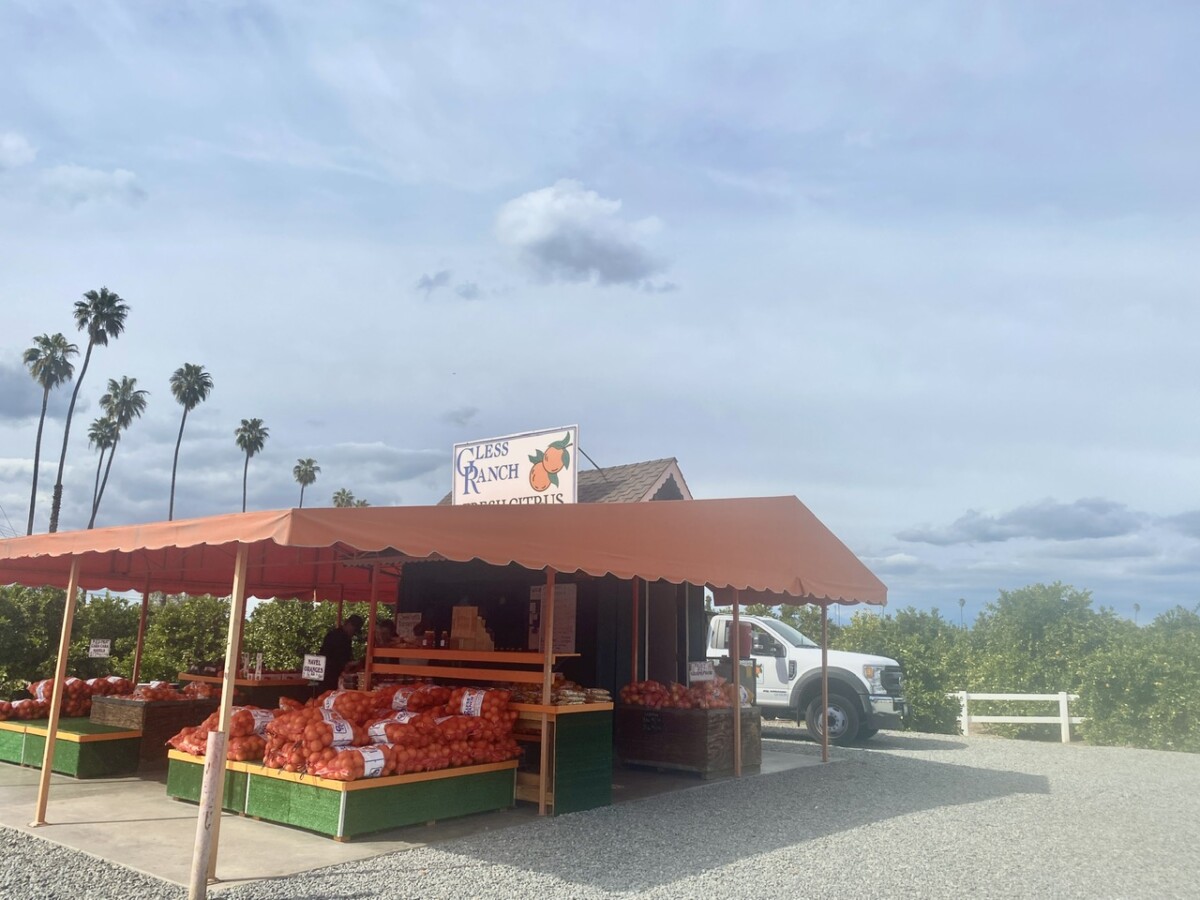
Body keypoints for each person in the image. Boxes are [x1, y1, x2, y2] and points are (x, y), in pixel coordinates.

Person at [316, 614, 363, 691]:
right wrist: (349, 664)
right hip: (329, 676)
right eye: (354, 630)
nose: (354, 634)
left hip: (334, 675)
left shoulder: (345, 638)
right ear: (348, 624)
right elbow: (334, 658)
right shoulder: (335, 636)